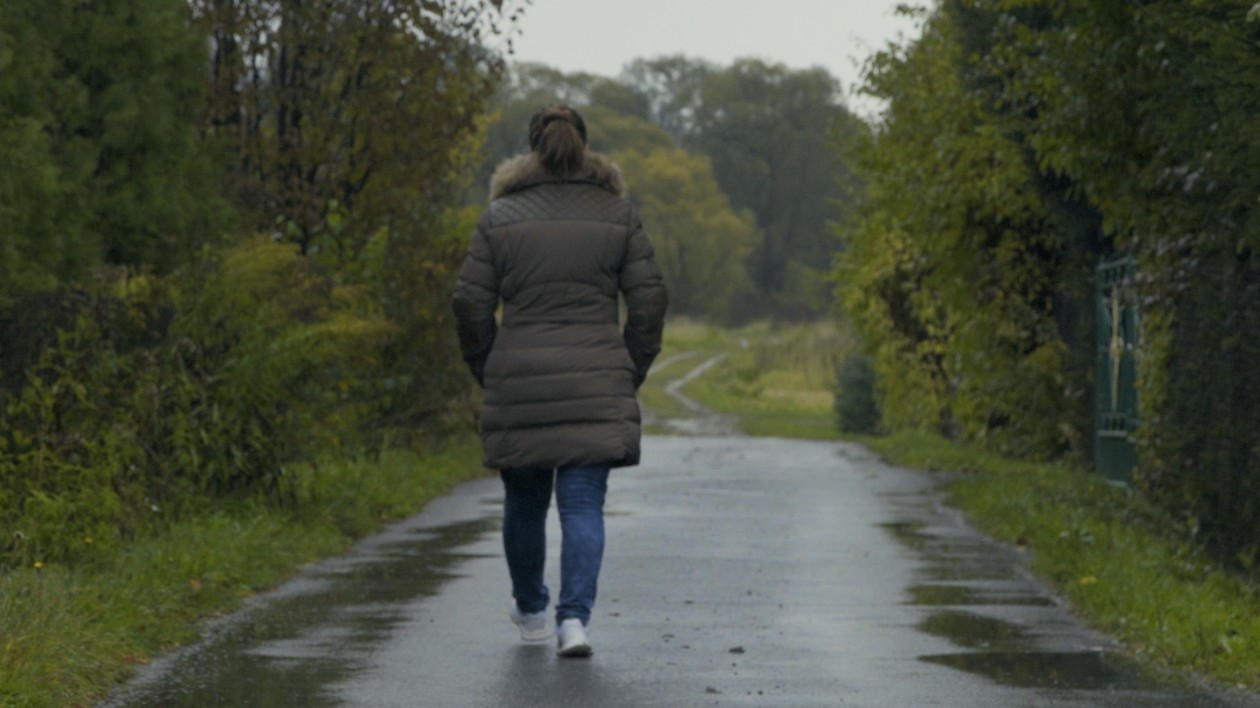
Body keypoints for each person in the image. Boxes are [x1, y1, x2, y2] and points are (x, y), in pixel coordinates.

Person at [452, 105, 668, 657]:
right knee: (582, 507)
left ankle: (530, 610)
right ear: (586, 149)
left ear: (530, 151)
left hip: (519, 377)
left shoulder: (499, 218)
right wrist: (629, 368)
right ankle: (574, 621)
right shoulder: (618, 214)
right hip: (597, 375)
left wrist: (489, 366)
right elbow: (648, 301)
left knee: (524, 505)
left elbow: (469, 301)